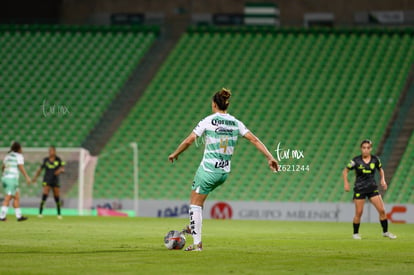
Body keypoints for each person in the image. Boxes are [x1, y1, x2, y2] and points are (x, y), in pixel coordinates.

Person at [168, 88, 279, 251]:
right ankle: (194, 226)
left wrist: (175, 153)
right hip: (223, 172)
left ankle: (197, 243)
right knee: (198, 202)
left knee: (194, 204)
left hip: (208, 169)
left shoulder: (209, 121)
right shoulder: (235, 122)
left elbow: (190, 140)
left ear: (214, 105)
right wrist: (270, 157)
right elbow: (254, 140)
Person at [342, 139, 396, 240]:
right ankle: (355, 233)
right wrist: (346, 183)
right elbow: (345, 171)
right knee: (359, 213)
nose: (366, 150)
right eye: (364, 148)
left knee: (382, 210)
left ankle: (385, 232)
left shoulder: (375, 159)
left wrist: (383, 180)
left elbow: (380, 170)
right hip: (360, 189)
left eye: (368, 148)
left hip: (372, 188)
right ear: (361, 149)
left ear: (370, 149)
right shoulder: (356, 160)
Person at [1, 141, 31, 221]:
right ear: (18, 149)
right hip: (11, 179)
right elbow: (21, 167)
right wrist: (27, 177)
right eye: (21, 148)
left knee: (16, 197)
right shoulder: (19, 156)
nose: (22, 149)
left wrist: (4, 175)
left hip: (5, 178)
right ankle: (1, 216)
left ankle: (19, 216)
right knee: (8, 197)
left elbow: (3, 167)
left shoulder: (8, 156)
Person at [32, 146, 65, 219]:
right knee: (45, 195)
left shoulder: (58, 159)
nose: (50, 152)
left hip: (55, 180)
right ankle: (40, 213)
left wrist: (59, 171)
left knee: (56, 197)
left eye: (52, 151)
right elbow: (40, 169)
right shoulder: (46, 160)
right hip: (47, 180)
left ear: (55, 151)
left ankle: (59, 214)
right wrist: (35, 178)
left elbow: (63, 169)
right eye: (49, 151)